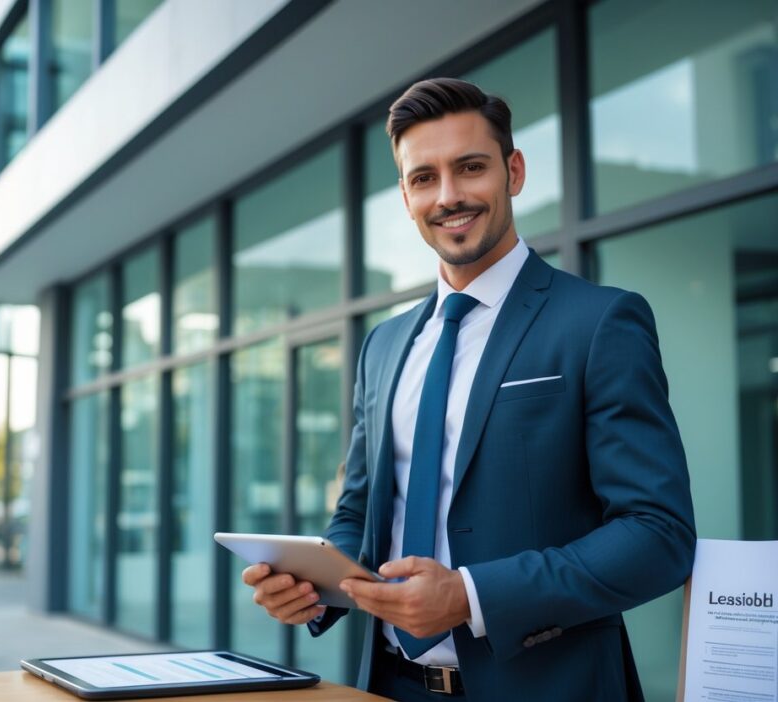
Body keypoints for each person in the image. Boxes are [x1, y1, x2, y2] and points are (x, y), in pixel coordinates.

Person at [241, 78, 696, 701]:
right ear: (405, 195)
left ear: (513, 170)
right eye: (424, 177)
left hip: (549, 688)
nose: (449, 196)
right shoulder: (384, 346)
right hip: (391, 687)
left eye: (471, 167)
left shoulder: (599, 322)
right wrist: (315, 588)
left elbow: (657, 533)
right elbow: (360, 513)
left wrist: (470, 596)